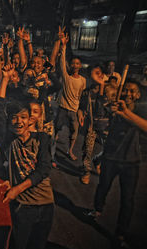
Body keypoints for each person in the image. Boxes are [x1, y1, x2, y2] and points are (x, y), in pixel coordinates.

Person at [0, 65, 54, 249]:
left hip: (46, 203)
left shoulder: (43, 139)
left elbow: (44, 169)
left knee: (37, 247)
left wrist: (17, 187)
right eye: (14, 118)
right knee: (17, 245)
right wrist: (4, 79)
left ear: (30, 120)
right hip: (24, 205)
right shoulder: (9, 141)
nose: (18, 121)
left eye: (23, 117)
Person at [88, 80, 146, 249]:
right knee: (103, 186)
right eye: (126, 90)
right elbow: (101, 122)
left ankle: (120, 233)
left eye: (132, 91)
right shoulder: (113, 107)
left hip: (131, 161)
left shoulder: (142, 110)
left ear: (138, 95)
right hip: (111, 157)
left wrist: (125, 113)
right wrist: (112, 113)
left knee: (127, 200)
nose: (128, 94)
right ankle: (97, 209)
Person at [54, 30, 86, 161]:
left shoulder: (83, 80)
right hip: (63, 108)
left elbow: (81, 97)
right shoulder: (66, 77)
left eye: (77, 63)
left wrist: (81, 112)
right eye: (73, 63)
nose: (75, 65)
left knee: (74, 133)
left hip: (74, 110)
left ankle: (70, 150)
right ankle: (52, 149)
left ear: (80, 66)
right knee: (56, 130)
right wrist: (64, 46)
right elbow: (61, 62)